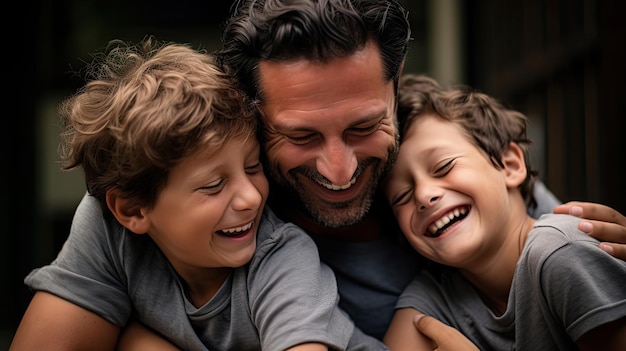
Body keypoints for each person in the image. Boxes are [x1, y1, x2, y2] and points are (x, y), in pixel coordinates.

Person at [16, 0, 626, 348]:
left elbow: (541, 250)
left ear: (396, 85)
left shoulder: (432, 156)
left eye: (364, 126)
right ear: (251, 113)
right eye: (302, 136)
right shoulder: (151, 197)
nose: (340, 169)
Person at [10, 36, 389, 351]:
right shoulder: (110, 230)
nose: (251, 198)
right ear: (133, 210)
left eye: (252, 167)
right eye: (213, 185)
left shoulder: (282, 257)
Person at [381, 74, 626, 350]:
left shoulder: (562, 253)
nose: (424, 196)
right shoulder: (432, 300)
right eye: (402, 196)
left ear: (509, 165)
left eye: (444, 167)